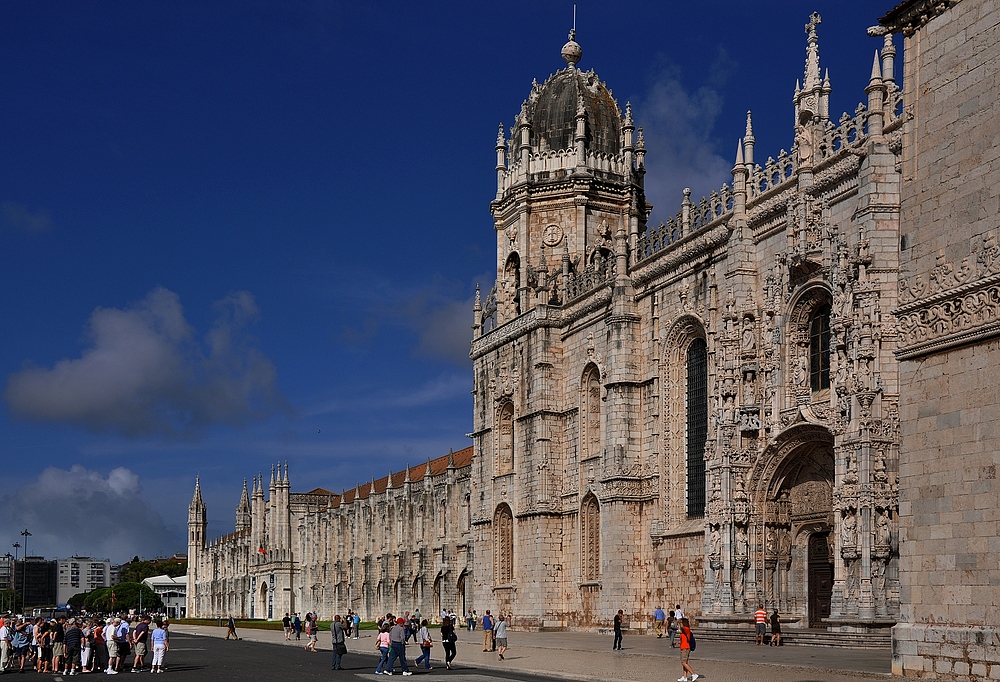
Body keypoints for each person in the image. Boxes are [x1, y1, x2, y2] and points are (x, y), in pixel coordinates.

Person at [678, 617, 698, 682]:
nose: (680, 624)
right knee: (684, 662)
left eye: (681, 623)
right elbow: (683, 639)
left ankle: (693, 674)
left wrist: (679, 623)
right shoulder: (683, 631)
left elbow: (684, 628)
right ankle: (684, 676)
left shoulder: (687, 629)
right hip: (683, 647)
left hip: (686, 648)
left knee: (683, 662)